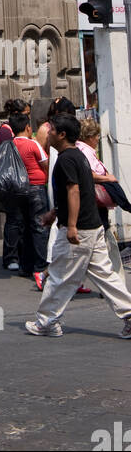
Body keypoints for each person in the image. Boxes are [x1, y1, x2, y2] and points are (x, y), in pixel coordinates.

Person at [26, 114, 131, 339]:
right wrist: (54, 214)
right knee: (106, 275)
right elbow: (76, 191)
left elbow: (74, 191)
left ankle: (47, 322)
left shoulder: (67, 160)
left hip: (79, 230)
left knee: (59, 275)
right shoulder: (78, 156)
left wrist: (71, 225)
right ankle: (130, 315)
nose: (48, 133)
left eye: (52, 130)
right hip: (92, 227)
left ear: (62, 135)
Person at [1, 112, 50, 288]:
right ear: (28, 128)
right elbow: (46, 164)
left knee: (24, 228)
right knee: (39, 227)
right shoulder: (32, 144)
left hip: (16, 191)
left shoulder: (8, 146)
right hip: (36, 188)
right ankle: (41, 266)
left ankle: (25, 265)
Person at [77, 118, 123, 277]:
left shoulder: (83, 150)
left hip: (92, 204)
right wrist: (107, 178)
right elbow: (88, 174)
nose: (98, 139)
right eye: (96, 136)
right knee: (103, 243)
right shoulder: (85, 152)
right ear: (89, 136)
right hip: (94, 203)